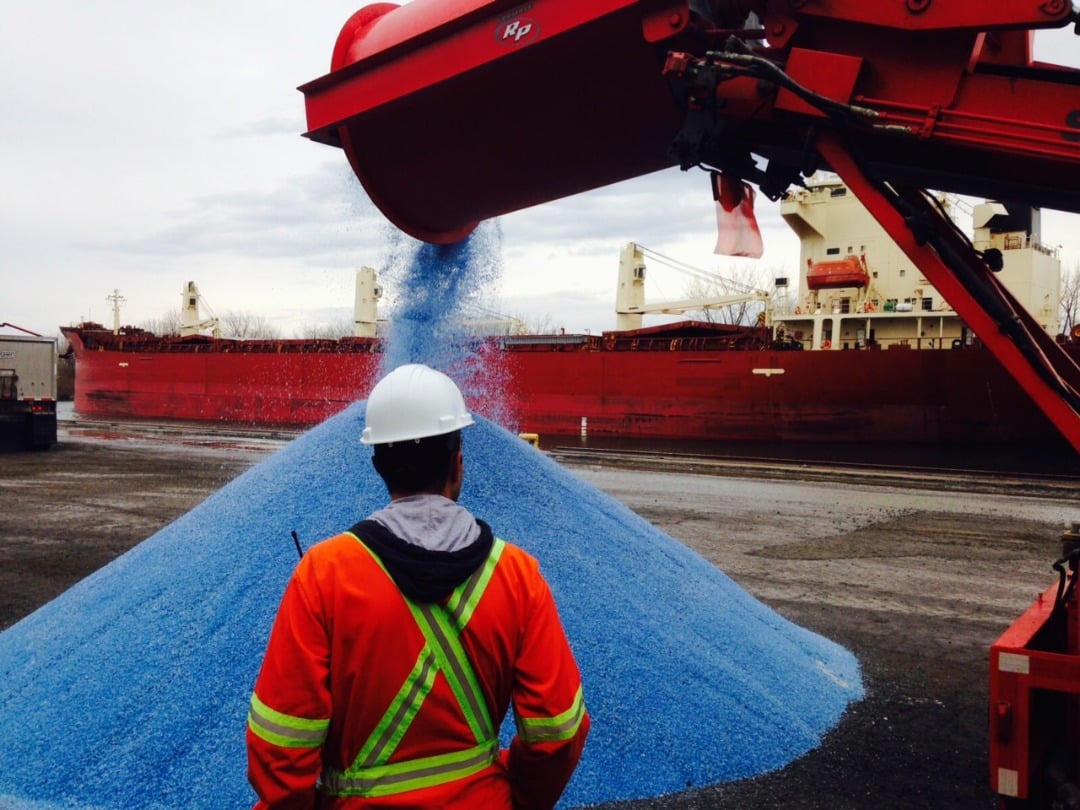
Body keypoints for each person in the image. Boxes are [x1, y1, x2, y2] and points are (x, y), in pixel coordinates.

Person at [246, 363, 589, 809]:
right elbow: (558, 732)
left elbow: (279, 749)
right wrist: (517, 797)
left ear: (378, 466)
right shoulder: (518, 576)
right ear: (458, 463)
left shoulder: (324, 575)